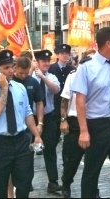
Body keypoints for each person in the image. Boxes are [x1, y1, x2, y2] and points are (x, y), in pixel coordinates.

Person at [71, 27, 110, 198]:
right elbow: (80, 100)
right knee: (91, 172)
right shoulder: (86, 67)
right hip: (96, 126)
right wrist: (83, 131)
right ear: (108, 43)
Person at [0, 50, 43, 198]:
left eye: (11, 66)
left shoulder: (19, 88)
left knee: (25, 182)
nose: (11, 71)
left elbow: (27, 113)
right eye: (6, 68)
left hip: (20, 140)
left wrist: (36, 135)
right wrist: (4, 88)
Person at [60, 49, 98, 198]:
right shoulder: (74, 75)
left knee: (94, 160)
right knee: (72, 160)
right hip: (75, 122)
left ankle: (92, 190)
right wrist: (63, 120)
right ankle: (66, 182)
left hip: (94, 121)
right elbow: (64, 99)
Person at [8, 56, 45, 198]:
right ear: (15, 67)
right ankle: (10, 193)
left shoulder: (33, 82)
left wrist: (39, 123)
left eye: (26, 73)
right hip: (13, 126)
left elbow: (39, 103)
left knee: (26, 161)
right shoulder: (9, 81)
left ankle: (25, 182)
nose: (23, 76)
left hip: (28, 127)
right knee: (10, 166)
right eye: (20, 73)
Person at [32, 49, 62, 193]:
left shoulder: (51, 76)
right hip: (31, 118)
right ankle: (26, 180)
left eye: (48, 61)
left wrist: (43, 77)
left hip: (48, 116)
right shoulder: (29, 77)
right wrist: (34, 74)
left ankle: (53, 181)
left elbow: (56, 90)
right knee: (28, 150)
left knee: (50, 149)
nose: (46, 63)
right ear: (36, 62)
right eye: (43, 61)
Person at [48, 44, 75, 139]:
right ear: (57, 55)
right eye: (62, 53)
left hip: (67, 105)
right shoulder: (51, 69)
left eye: (67, 53)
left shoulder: (72, 70)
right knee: (53, 137)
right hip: (54, 104)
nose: (65, 55)